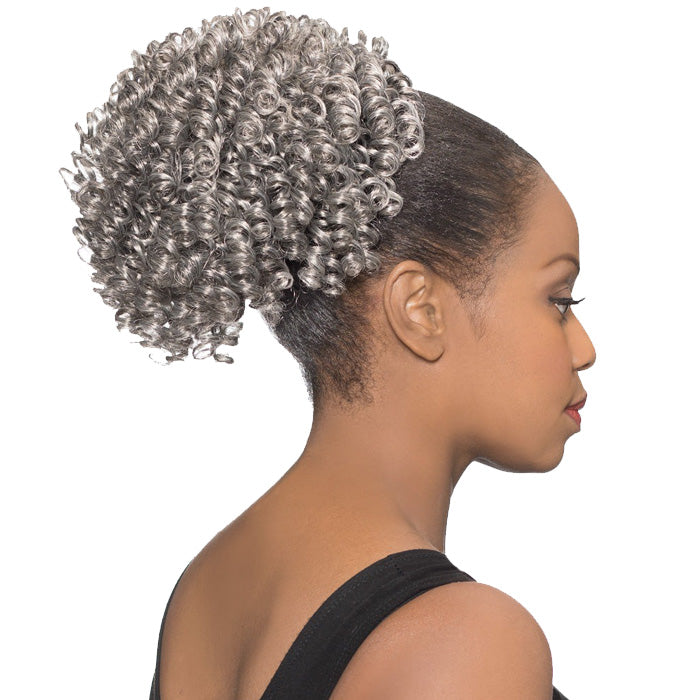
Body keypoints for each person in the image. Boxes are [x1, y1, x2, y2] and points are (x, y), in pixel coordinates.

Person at [60, 7, 595, 699]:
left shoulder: (207, 587)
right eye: (560, 300)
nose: (585, 348)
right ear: (420, 310)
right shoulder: (467, 644)